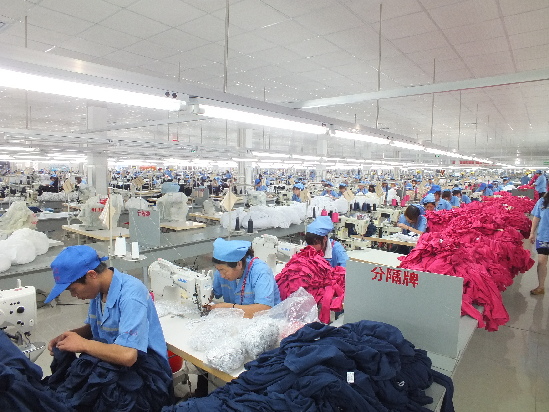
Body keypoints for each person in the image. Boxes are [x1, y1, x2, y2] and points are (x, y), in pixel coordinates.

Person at [44, 245, 173, 410]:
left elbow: (128, 356)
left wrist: (83, 344)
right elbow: (95, 327)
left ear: (91, 275)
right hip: (114, 360)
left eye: (73, 290)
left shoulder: (131, 295)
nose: (74, 295)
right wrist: (70, 336)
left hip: (147, 371)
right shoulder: (99, 292)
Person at [210, 238, 281, 318]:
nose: (222, 275)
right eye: (218, 270)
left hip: (266, 320)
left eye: (224, 271)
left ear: (239, 264)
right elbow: (214, 293)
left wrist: (229, 308)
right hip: (239, 321)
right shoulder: (221, 273)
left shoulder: (261, 272)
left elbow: (264, 309)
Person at [529, 193, 549, 295]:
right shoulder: (542, 201)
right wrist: (532, 233)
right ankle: (541, 287)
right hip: (544, 236)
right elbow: (536, 218)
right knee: (541, 262)